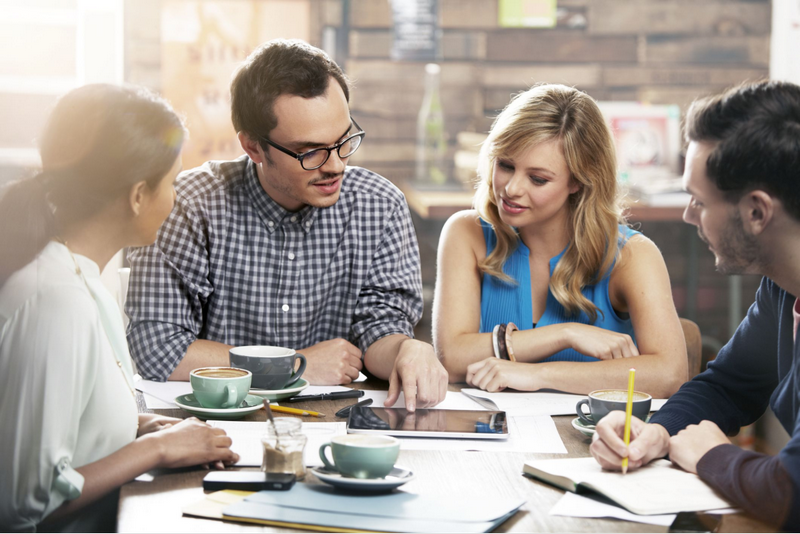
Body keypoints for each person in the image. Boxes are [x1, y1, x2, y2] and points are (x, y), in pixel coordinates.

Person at [125, 39, 447, 411]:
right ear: (253, 147)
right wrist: (293, 365)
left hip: (329, 419)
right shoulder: (190, 205)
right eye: (310, 151)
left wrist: (408, 350)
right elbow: (158, 349)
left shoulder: (380, 204)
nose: (336, 165)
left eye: (344, 140)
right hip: (216, 423)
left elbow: (378, 331)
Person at [0, 84, 239, 532]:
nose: (175, 199)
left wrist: (152, 427)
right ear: (136, 195)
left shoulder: (82, 277)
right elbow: (27, 503)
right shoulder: (55, 301)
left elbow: (77, 423)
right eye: (172, 183)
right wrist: (158, 449)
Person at [590, 80, 800, 530]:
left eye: (699, 201)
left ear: (757, 212)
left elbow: (791, 491)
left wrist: (712, 455)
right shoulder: (784, 284)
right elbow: (727, 386)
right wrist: (657, 432)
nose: (687, 215)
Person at [433, 84, 687, 396]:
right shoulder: (467, 232)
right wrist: (566, 333)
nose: (511, 188)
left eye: (537, 179)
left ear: (579, 182)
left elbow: (670, 374)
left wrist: (537, 375)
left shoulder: (632, 255)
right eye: (506, 165)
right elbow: (452, 359)